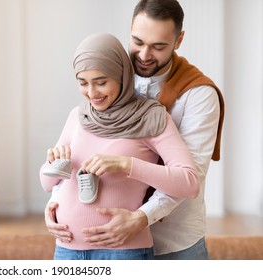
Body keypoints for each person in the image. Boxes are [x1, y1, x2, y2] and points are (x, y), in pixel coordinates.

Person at [45, 0, 225, 260]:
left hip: (174, 239)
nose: (143, 55)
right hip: (107, 243)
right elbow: (80, 147)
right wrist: (55, 203)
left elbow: (190, 175)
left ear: (179, 40)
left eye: (158, 46)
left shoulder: (199, 95)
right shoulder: (111, 75)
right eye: (138, 42)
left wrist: (140, 218)